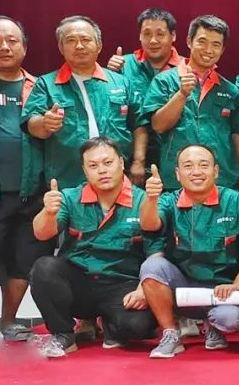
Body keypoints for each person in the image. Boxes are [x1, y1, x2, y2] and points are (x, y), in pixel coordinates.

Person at [29, 137, 160, 357]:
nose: (102, 170)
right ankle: (63, 334)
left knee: (139, 326)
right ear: (84, 170)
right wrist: (48, 212)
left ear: (121, 163)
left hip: (122, 283)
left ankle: (107, 323)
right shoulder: (70, 197)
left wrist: (143, 289)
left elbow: (156, 250)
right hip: (79, 283)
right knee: (44, 268)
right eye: (93, 165)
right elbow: (42, 233)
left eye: (108, 163)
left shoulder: (143, 200)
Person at [138, 144, 239, 358]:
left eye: (203, 165)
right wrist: (151, 198)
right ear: (177, 174)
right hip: (183, 288)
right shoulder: (169, 201)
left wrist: (237, 284)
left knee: (229, 320)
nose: (196, 172)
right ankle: (171, 333)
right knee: (152, 267)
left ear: (215, 171)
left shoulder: (234, 200)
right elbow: (149, 224)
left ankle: (213, 326)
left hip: (221, 289)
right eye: (188, 166)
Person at [0, 16, 52, 342]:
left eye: (12, 40)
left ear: (24, 47)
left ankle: (9, 322)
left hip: (34, 193)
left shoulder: (42, 88)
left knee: (24, 260)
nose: (4, 47)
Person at [23, 15, 146, 189]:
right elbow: (30, 123)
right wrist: (44, 123)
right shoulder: (46, 83)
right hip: (68, 181)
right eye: (71, 40)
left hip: (119, 179)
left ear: (99, 45)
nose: (79, 46)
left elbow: (139, 124)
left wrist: (139, 161)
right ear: (61, 47)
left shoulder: (121, 82)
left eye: (85, 39)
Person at [142, 15, 239, 195]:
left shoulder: (230, 90)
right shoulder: (164, 81)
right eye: (202, 41)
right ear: (189, 41)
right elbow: (158, 126)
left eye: (216, 44)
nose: (208, 50)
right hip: (176, 180)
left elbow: (237, 136)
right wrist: (182, 94)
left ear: (222, 49)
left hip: (222, 179)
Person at [104, 8, 184, 184]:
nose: (153, 40)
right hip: (129, 160)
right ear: (139, 36)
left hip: (173, 160)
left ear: (173, 36)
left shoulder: (186, 69)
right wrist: (110, 75)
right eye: (147, 34)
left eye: (160, 34)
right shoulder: (123, 66)